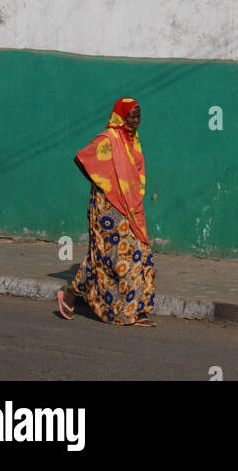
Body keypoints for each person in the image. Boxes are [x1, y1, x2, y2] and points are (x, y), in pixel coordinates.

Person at [57, 96, 156, 326]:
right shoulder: (108, 139)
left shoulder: (133, 141)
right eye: (132, 115)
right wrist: (103, 185)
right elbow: (81, 158)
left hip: (131, 208)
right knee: (111, 258)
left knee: (142, 253)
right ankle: (73, 294)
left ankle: (139, 309)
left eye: (138, 115)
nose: (136, 120)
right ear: (120, 117)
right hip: (107, 209)